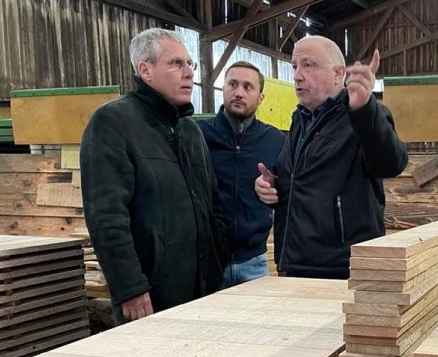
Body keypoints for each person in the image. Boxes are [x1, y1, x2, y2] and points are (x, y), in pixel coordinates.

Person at [80, 28, 227, 324]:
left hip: (201, 288)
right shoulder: (112, 123)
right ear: (145, 70)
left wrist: (217, 262)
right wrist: (130, 287)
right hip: (149, 295)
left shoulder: (190, 131)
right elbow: (106, 216)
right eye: (176, 64)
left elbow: (213, 205)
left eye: (190, 64)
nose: (189, 73)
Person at [254, 35, 408, 279]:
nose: (297, 75)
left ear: (338, 74)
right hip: (295, 264)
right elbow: (301, 182)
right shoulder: (300, 121)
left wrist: (364, 110)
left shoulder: (361, 117)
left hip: (342, 269)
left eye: (308, 65)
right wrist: (271, 187)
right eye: (294, 66)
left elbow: (391, 164)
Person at [199, 61, 284, 287]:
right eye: (233, 84)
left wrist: (275, 188)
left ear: (260, 97)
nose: (239, 93)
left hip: (254, 262)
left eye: (248, 87)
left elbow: (289, 190)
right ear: (223, 89)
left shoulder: (275, 140)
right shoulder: (198, 135)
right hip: (209, 262)